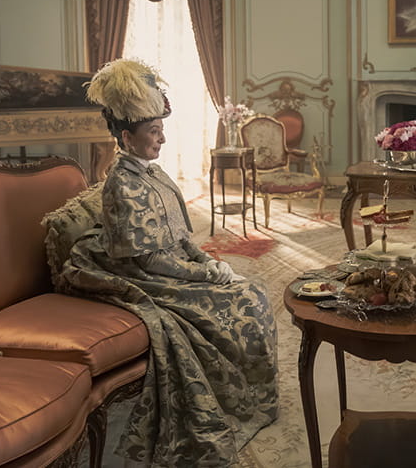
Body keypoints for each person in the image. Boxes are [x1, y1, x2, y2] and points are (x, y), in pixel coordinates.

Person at [61, 59, 278, 467]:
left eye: (162, 130)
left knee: (251, 291)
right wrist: (207, 273)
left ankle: (253, 399)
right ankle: (235, 404)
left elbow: (181, 239)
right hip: (143, 274)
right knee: (241, 306)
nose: (161, 139)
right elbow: (149, 258)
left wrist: (209, 260)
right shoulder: (121, 184)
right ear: (127, 136)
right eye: (153, 132)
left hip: (168, 265)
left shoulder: (155, 175)